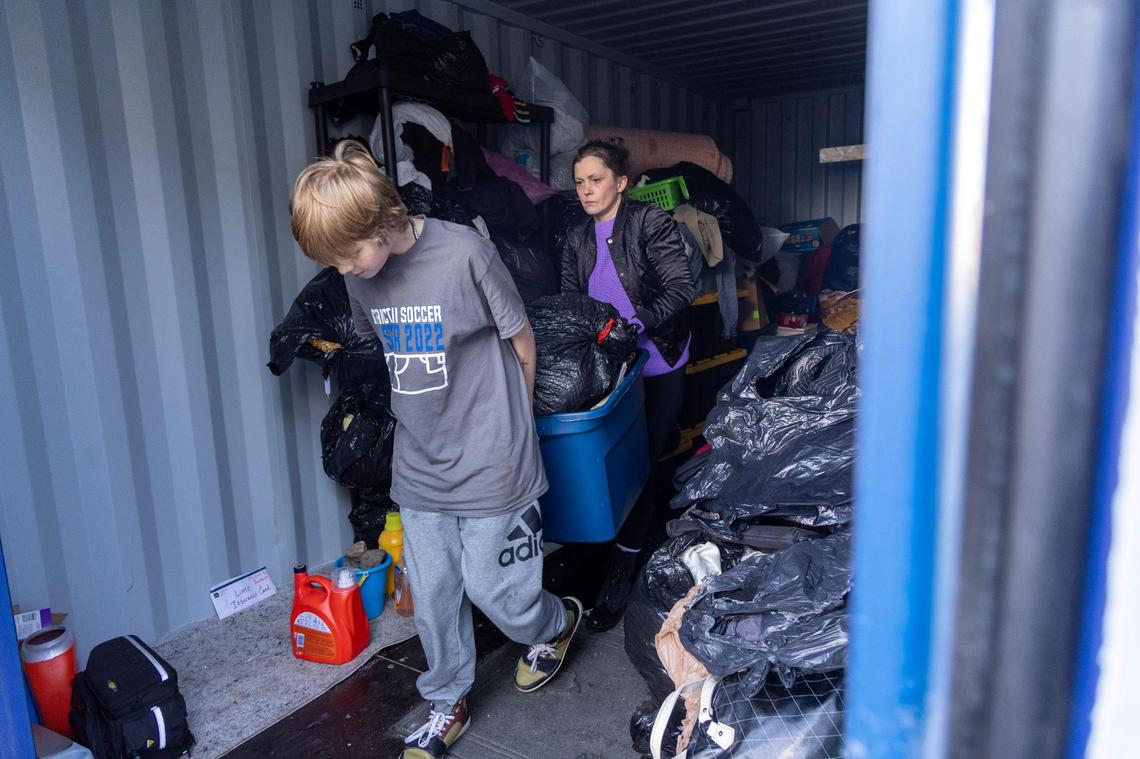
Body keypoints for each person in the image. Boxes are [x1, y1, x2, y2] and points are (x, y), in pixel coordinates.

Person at [290, 140, 582, 759]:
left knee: (494, 589)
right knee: (435, 593)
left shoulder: (464, 252)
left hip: (492, 453)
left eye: (348, 255)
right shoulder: (361, 279)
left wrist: (520, 433)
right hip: (420, 464)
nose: (343, 270)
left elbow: (522, 340)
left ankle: (554, 624)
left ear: (379, 221)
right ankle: (447, 699)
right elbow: (393, 354)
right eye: (334, 261)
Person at [562, 140, 695, 631]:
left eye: (595, 180)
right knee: (612, 464)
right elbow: (571, 300)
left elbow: (682, 287)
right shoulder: (576, 234)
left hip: (657, 360)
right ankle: (606, 553)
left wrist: (635, 324)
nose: (586, 190)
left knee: (639, 465)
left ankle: (623, 571)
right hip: (611, 368)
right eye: (579, 181)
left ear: (619, 182)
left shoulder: (649, 223)